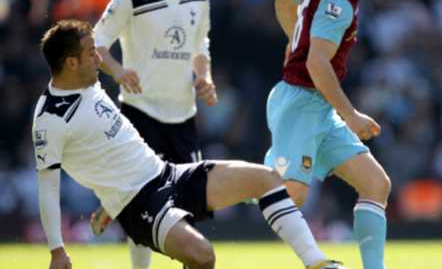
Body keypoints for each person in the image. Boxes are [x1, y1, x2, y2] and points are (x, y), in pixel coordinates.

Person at [33, 19, 347, 269]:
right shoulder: (50, 119)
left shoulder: (89, 82)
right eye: (90, 53)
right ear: (71, 63)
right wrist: (57, 249)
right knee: (203, 256)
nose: (99, 57)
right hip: (137, 203)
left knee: (265, 179)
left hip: (167, 173)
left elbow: (112, 147)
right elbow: (48, 187)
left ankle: (317, 263)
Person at [264, 0, 395, 269]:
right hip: (301, 102)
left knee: (375, 184)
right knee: (292, 194)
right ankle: (221, 186)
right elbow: (317, 63)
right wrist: (351, 115)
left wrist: (295, 40)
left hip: (316, 105)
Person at [90, 0, 216, 267]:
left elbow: (200, 47)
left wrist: (204, 78)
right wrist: (117, 71)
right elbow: (96, 44)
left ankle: (112, 204)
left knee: (187, 205)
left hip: (183, 115)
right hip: (140, 111)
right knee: (145, 204)